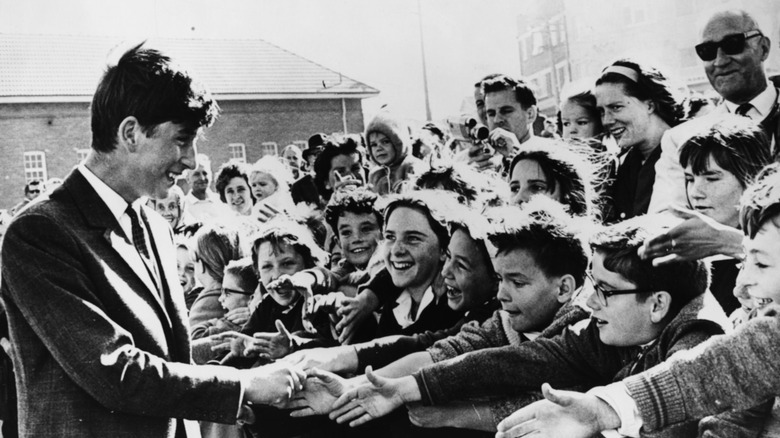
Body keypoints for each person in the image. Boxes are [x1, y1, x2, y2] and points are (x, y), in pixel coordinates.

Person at [0, 43, 303, 437]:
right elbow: (114, 370)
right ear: (130, 133)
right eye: (181, 140)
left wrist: (231, 368)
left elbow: (163, 356)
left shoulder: (155, 226)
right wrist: (243, 386)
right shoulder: (39, 233)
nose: (192, 160)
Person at [329, 215, 729, 437]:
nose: (591, 303)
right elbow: (519, 361)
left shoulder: (698, 342)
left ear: (658, 304)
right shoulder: (609, 327)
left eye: (605, 291)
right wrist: (407, 387)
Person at [494, 163, 780, 438]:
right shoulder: (764, 330)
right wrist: (602, 410)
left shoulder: (700, 331)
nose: (740, 288)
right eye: (745, 260)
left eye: (762, 264)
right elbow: (704, 375)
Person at [650, 9, 777, 213]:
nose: (720, 61)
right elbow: (667, 224)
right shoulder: (681, 139)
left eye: (732, 44)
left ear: (763, 48)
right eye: (707, 51)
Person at [595, 59, 683, 221]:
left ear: (650, 105)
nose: (606, 121)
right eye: (601, 111)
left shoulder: (687, 152)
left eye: (616, 107)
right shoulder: (626, 164)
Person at [467, 74, 556, 173]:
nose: (496, 120)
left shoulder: (553, 154)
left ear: (530, 114)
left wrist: (515, 154)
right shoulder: (491, 164)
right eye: (491, 114)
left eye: (506, 111)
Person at [365, 111, 427, 195]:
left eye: (385, 142)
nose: (379, 148)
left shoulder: (414, 168)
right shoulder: (375, 174)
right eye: (373, 145)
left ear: (399, 142)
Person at [183, 153, 228, 223]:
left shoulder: (221, 201)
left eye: (205, 173)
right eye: (196, 174)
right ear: (188, 179)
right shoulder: (184, 205)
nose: (202, 178)